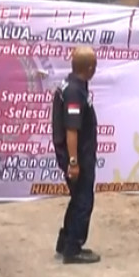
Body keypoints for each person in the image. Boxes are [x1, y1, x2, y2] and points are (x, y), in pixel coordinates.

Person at [51, 46, 101, 264]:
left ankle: (65, 241)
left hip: (79, 154)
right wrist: (73, 162)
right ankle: (73, 248)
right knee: (83, 201)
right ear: (89, 68)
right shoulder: (73, 91)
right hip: (78, 156)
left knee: (78, 198)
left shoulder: (74, 86)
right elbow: (72, 129)